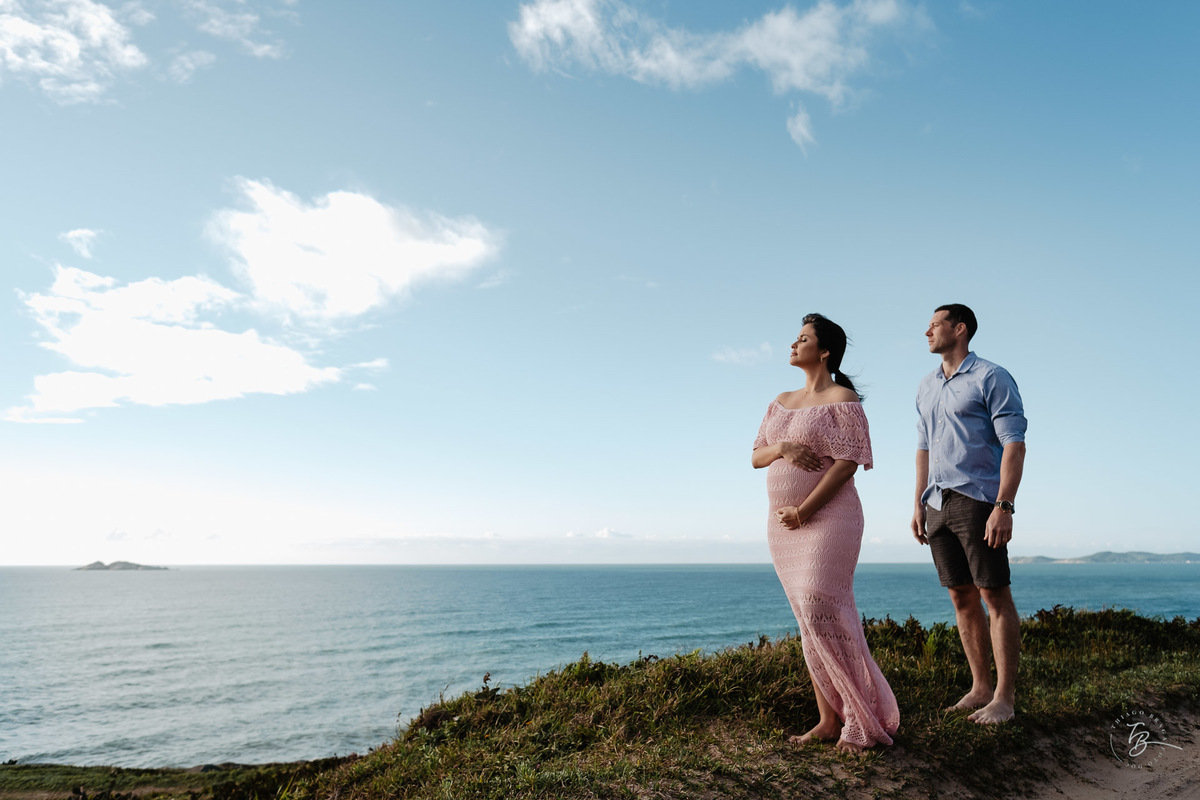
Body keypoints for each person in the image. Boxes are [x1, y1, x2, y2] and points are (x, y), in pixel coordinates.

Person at [752, 313, 899, 752]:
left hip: (828, 518)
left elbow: (848, 464)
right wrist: (782, 448)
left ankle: (862, 712)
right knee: (807, 620)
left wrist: (804, 509)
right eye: (795, 338)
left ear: (826, 350)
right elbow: (757, 456)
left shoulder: (843, 399)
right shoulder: (780, 400)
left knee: (820, 604)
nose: (793, 345)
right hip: (784, 527)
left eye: (803, 339)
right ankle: (826, 720)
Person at [911, 303, 1027, 725]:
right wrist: (919, 503)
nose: (926, 332)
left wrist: (1004, 505)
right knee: (961, 597)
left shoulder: (991, 376)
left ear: (959, 329)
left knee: (994, 596)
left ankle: (1004, 698)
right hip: (937, 503)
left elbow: (1014, 443)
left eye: (934, 325)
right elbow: (923, 447)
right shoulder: (926, 386)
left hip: (979, 500)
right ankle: (979, 688)